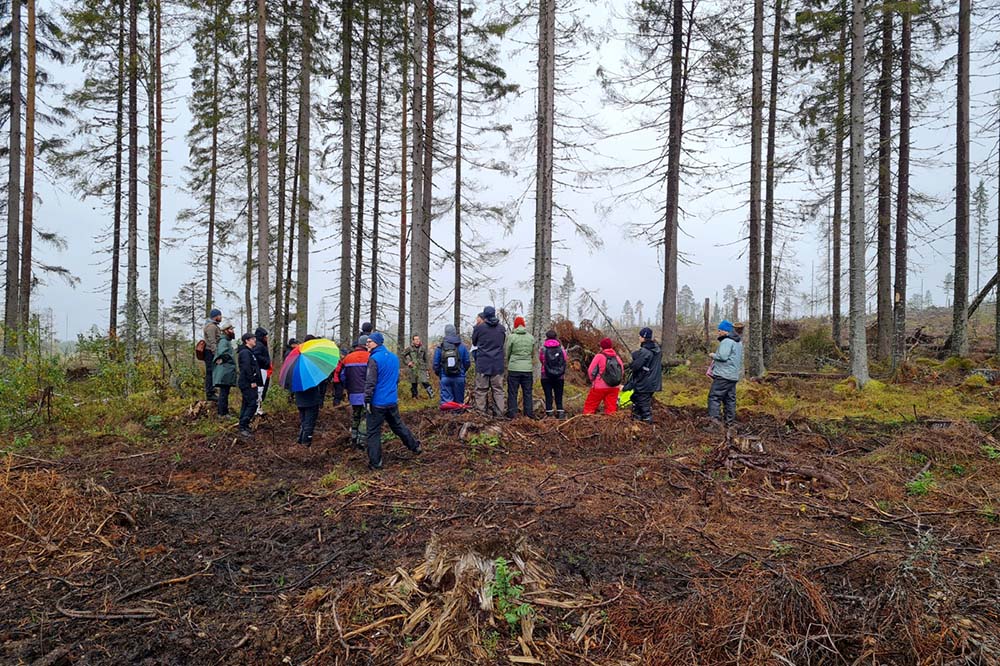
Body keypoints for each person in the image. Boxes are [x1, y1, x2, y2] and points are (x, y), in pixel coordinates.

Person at [364, 333, 421, 470]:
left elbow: (370, 381)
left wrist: (367, 400)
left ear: (377, 343)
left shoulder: (374, 359)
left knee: (373, 432)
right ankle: (415, 446)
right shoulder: (394, 358)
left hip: (377, 402)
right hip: (391, 400)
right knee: (398, 426)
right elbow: (396, 379)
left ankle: (375, 463)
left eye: (369, 342)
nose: (367, 344)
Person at [707, 319, 744, 427]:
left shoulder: (727, 341)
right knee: (729, 399)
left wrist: (713, 355)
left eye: (720, 330)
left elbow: (722, 357)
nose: (718, 332)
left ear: (726, 331)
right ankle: (730, 423)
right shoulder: (738, 342)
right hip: (733, 376)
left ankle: (714, 424)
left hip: (723, 375)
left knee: (714, 397)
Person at [336, 335, 371, 449]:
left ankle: (354, 439)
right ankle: (361, 443)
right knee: (365, 417)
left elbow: (342, 376)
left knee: (356, 416)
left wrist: (348, 388)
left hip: (353, 394)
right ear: (366, 344)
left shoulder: (348, 358)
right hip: (366, 394)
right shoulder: (371, 357)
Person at [471, 306, 506, 416]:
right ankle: (500, 414)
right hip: (497, 365)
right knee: (498, 390)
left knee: (481, 390)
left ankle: (481, 414)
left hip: (483, 364)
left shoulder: (479, 328)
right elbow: (502, 342)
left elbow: (474, 342)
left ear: (484, 315)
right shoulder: (501, 328)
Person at [628, 327, 663, 423]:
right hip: (654, 382)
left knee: (643, 405)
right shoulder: (657, 350)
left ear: (644, 337)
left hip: (645, 383)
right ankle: (637, 421)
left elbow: (635, 366)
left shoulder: (645, 351)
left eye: (639, 336)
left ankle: (647, 424)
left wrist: (633, 361)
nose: (638, 338)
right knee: (638, 402)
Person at [504, 316, 535, 418]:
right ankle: (529, 414)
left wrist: (510, 361)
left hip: (514, 368)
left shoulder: (511, 337)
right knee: (528, 392)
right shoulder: (531, 337)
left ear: (515, 325)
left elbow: (507, 352)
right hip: (527, 369)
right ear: (524, 325)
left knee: (513, 392)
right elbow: (532, 353)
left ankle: (512, 413)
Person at [584, 337, 624, 415]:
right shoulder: (617, 357)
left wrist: (593, 381)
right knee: (611, 409)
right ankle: (611, 425)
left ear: (601, 347)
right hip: (614, 387)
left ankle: (587, 425)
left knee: (590, 406)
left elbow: (590, 370)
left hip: (599, 387)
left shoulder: (599, 356)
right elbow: (621, 371)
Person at [433, 324, 471, 404]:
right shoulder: (462, 346)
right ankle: (457, 415)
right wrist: (463, 371)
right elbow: (467, 362)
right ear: (455, 332)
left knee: (447, 404)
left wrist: (440, 374)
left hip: (445, 377)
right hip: (459, 377)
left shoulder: (440, 347)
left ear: (445, 333)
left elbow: (436, 364)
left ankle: (448, 416)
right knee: (458, 403)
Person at [538, 330, 568, 418]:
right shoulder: (561, 348)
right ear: (556, 337)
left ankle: (549, 412)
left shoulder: (543, 348)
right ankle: (560, 411)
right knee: (559, 394)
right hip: (559, 375)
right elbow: (565, 359)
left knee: (548, 395)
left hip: (546, 374)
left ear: (546, 337)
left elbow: (541, 360)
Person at [236, 332, 261, 437]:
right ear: (247, 341)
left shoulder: (249, 352)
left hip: (248, 382)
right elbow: (246, 368)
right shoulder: (245, 353)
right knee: (252, 403)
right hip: (247, 383)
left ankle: (243, 425)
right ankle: (243, 425)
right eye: (252, 339)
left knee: (246, 403)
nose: (255, 340)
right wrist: (252, 381)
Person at [212, 322, 237, 417]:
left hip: (226, 371)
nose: (233, 331)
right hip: (224, 372)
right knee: (223, 393)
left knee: (225, 392)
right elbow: (223, 353)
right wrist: (227, 358)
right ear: (226, 331)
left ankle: (223, 412)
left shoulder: (226, 341)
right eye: (231, 329)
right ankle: (222, 413)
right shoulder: (223, 341)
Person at [402, 335, 434, 399]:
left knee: (425, 381)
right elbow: (402, 355)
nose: (417, 341)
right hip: (413, 368)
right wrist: (408, 363)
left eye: (418, 339)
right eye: (416, 339)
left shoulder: (423, 348)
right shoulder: (409, 348)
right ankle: (414, 397)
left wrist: (427, 368)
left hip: (422, 368)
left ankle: (432, 396)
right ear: (413, 341)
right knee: (414, 383)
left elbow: (426, 359)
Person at [202, 309, 223, 401]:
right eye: (220, 315)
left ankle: (212, 391)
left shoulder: (214, 326)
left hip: (211, 352)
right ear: (215, 316)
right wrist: (216, 355)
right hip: (210, 352)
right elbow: (212, 342)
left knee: (213, 372)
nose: (221, 317)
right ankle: (210, 393)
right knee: (210, 372)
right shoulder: (211, 327)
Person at [252, 327, 272, 415]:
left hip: (263, 369)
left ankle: (258, 407)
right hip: (261, 369)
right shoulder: (259, 345)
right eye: (265, 336)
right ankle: (257, 409)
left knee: (261, 389)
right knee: (260, 389)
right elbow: (256, 355)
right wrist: (266, 361)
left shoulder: (261, 345)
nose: (266, 338)